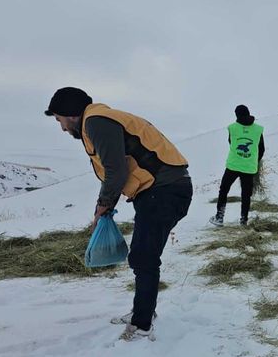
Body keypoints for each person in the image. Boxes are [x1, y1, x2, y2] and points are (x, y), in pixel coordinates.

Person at [44, 87, 192, 341]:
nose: (61, 128)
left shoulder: (96, 122)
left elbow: (116, 170)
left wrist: (103, 207)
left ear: (70, 114)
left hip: (164, 190)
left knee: (144, 258)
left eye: (60, 120)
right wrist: (104, 206)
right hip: (158, 190)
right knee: (143, 256)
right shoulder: (98, 120)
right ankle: (142, 312)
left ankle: (142, 324)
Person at [210, 104, 265, 226]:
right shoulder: (258, 130)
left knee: (224, 190)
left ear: (236, 115)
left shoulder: (232, 128)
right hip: (249, 167)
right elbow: (262, 149)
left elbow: (231, 143)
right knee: (246, 195)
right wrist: (253, 161)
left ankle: (219, 217)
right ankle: (243, 221)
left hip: (233, 165)